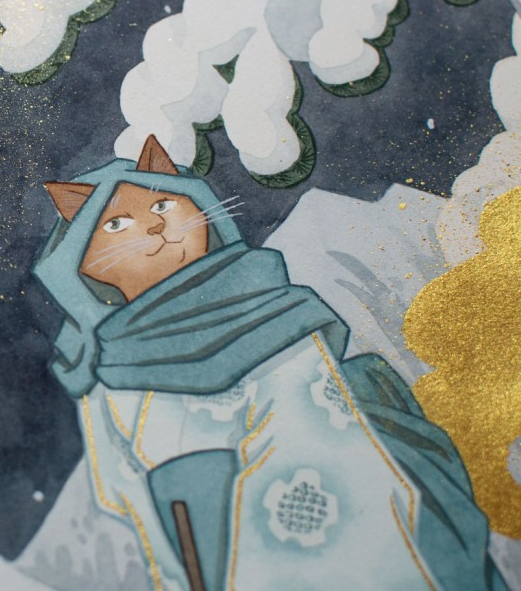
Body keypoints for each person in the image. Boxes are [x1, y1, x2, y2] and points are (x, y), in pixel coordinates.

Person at [34, 135, 502, 591]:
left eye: (163, 204)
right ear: (83, 262)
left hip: (391, 520)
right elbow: (181, 501)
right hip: (270, 559)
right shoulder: (124, 368)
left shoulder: (269, 292)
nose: (154, 226)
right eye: (116, 224)